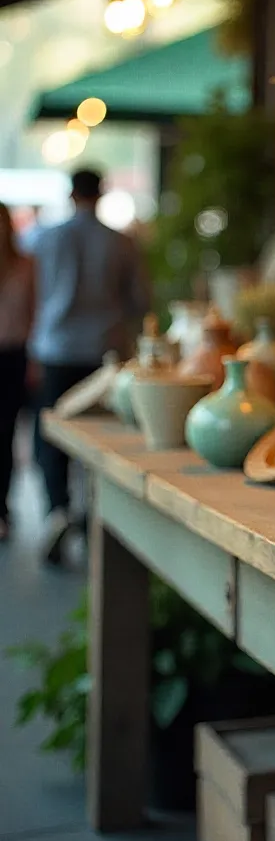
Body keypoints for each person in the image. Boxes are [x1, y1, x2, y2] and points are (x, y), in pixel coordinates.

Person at [31, 168, 149, 563]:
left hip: (57, 348)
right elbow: (140, 300)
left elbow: (35, 294)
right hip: (105, 349)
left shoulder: (47, 238)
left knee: (52, 435)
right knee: (102, 436)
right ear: (101, 194)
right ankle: (92, 511)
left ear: (71, 194)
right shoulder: (121, 243)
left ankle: (57, 508)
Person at [0, 203, 34, 542]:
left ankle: (2, 507)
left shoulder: (25, 265)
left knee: (6, 433)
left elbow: (34, 313)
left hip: (13, 355)